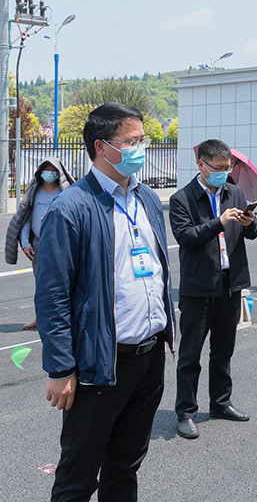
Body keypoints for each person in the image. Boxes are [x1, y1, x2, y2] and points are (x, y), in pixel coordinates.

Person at [35, 103, 176, 502]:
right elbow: (52, 295)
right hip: (100, 361)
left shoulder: (147, 198)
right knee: (78, 476)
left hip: (150, 356)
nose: (141, 149)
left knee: (125, 465)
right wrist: (61, 367)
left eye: (142, 140)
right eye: (131, 142)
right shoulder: (71, 208)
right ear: (101, 147)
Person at [170, 139, 257, 440]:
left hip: (230, 283)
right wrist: (218, 223)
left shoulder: (234, 192)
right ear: (201, 165)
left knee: (223, 350)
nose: (224, 173)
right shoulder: (182, 198)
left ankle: (221, 403)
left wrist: (250, 222)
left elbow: (253, 232)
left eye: (228, 168)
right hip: (198, 287)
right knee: (190, 354)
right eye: (218, 168)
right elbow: (186, 237)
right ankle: (185, 412)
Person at [5, 157, 75, 330]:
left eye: (53, 169)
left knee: (64, 282)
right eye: (46, 169)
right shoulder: (34, 191)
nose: (49, 173)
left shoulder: (66, 192)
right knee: (40, 283)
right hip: (38, 243)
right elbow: (26, 218)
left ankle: (65, 319)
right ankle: (40, 318)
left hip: (61, 243)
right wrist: (25, 242)